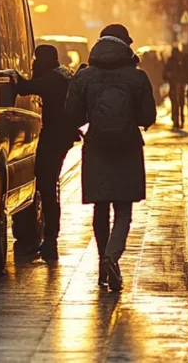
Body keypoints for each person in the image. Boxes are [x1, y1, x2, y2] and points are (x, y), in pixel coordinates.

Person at [66, 24, 156, 292]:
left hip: (96, 148)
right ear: (126, 45)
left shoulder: (85, 77)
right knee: (124, 210)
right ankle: (112, 256)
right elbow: (147, 117)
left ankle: (101, 266)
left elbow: (72, 116)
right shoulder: (137, 77)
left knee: (100, 207)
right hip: (127, 147)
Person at [15, 44, 77, 261]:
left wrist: (12, 75)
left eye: (36, 59)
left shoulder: (52, 79)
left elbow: (24, 88)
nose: (34, 63)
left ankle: (50, 240)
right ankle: (48, 238)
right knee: (49, 186)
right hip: (62, 135)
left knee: (47, 186)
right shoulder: (62, 73)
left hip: (55, 136)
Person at [164, 46, 187, 130]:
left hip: (179, 85)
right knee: (176, 104)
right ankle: (176, 120)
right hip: (174, 86)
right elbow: (165, 73)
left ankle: (179, 120)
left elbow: (186, 72)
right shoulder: (171, 61)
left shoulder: (181, 61)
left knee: (179, 104)